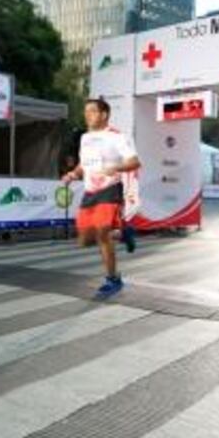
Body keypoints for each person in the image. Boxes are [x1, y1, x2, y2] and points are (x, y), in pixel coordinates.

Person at [61, 98, 141, 299]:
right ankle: (124, 233)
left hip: (110, 188)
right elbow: (83, 165)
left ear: (104, 115)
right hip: (90, 192)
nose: (87, 115)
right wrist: (72, 174)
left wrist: (116, 167)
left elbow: (134, 162)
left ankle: (113, 279)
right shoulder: (85, 138)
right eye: (86, 111)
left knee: (103, 233)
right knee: (85, 240)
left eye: (92, 111)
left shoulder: (116, 137)